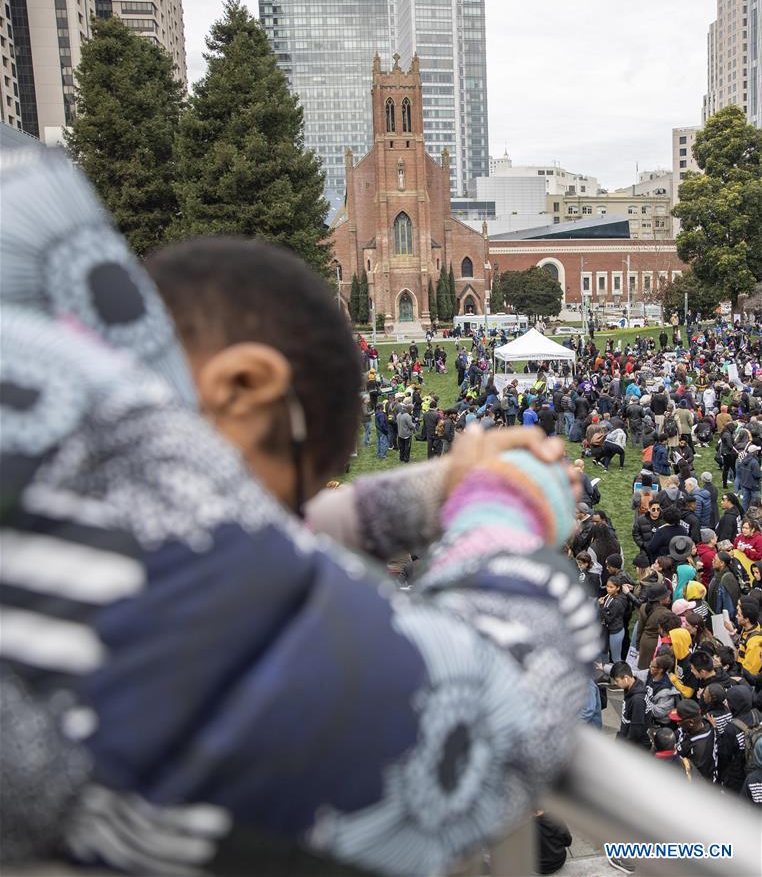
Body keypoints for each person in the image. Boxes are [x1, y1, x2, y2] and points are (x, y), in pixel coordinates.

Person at [0, 152, 601, 876]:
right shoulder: (103, 479)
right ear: (246, 386)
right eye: (288, 491)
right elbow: (492, 716)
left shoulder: (47, 377)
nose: (276, 527)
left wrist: (426, 496)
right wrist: (508, 503)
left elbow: (223, 533)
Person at [719, 685, 762, 793]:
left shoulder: (731, 728)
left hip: (738, 774)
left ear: (733, 704)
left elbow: (725, 756)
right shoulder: (757, 713)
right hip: (756, 767)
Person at [670, 699, 719, 782]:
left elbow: (694, 778)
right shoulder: (703, 723)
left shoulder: (699, 750)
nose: (677, 723)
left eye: (679, 721)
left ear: (691, 722)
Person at [610, 661, 651, 749]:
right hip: (626, 734)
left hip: (635, 747)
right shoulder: (630, 688)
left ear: (626, 678)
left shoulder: (637, 700)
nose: (615, 683)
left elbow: (636, 730)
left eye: (617, 680)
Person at [600, 575, 629, 662]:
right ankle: (606, 671)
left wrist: (601, 606)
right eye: (607, 586)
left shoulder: (617, 602)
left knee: (616, 658)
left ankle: (619, 674)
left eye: (611, 587)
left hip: (615, 632)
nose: (608, 589)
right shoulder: (610, 595)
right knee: (604, 651)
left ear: (618, 588)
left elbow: (609, 619)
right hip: (607, 629)